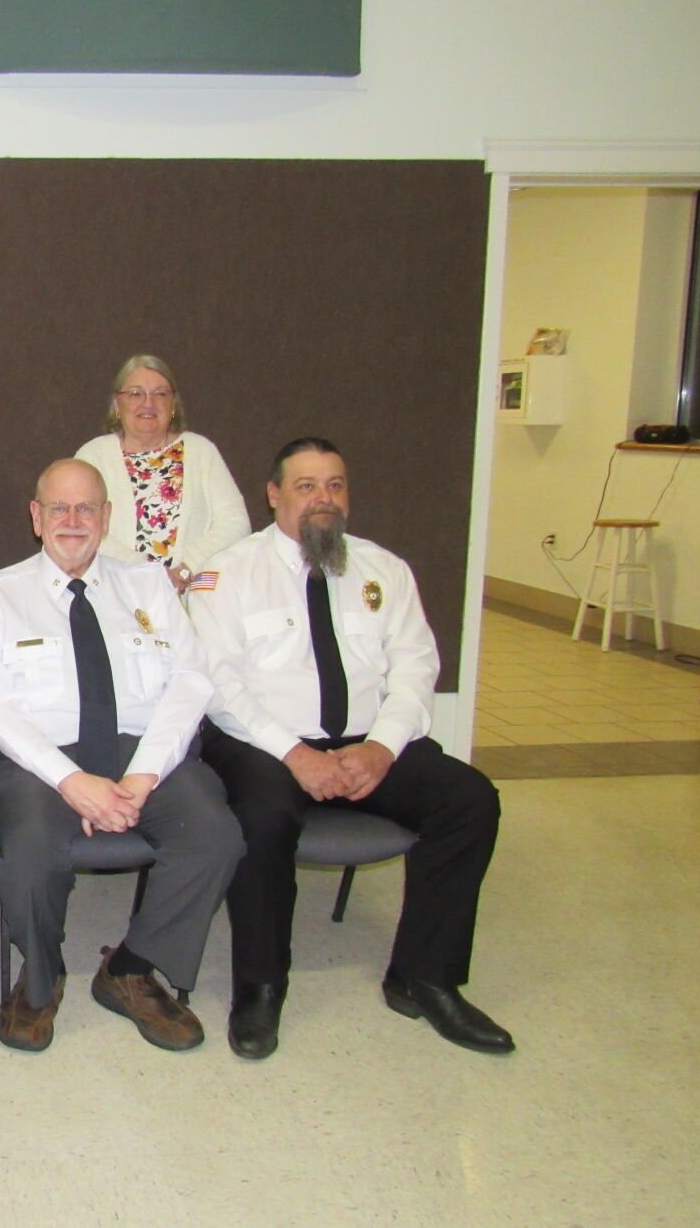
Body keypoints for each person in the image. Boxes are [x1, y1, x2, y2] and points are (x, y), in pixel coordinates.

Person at [186, 437, 513, 1059]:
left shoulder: (384, 571)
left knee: (469, 800)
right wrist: (296, 755)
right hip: (265, 743)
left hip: (370, 741)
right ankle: (260, 986)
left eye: (335, 485)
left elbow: (417, 670)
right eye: (306, 486)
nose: (323, 499)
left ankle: (426, 977)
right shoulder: (226, 575)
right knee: (261, 815)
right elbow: (218, 685)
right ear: (274, 495)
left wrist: (383, 748)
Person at [0, 459, 243, 1054]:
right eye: (58, 508)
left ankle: (131, 969)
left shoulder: (148, 587)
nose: (73, 520)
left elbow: (191, 681)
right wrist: (71, 781)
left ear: (107, 517)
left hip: (142, 754)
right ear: (35, 517)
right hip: (32, 759)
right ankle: (40, 981)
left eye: (87, 507)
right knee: (33, 852)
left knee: (215, 836)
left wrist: (144, 774)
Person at [74, 354, 248, 591]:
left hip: (191, 595)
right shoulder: (93, 456)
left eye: (160, 394)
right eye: (135, 393)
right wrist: (149, 574)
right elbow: (82, 527)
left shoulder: (201, 450)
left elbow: (236, 523)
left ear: (173, 404)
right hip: (116, 593)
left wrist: (187, 568)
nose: (148, 403)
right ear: (117, 404)